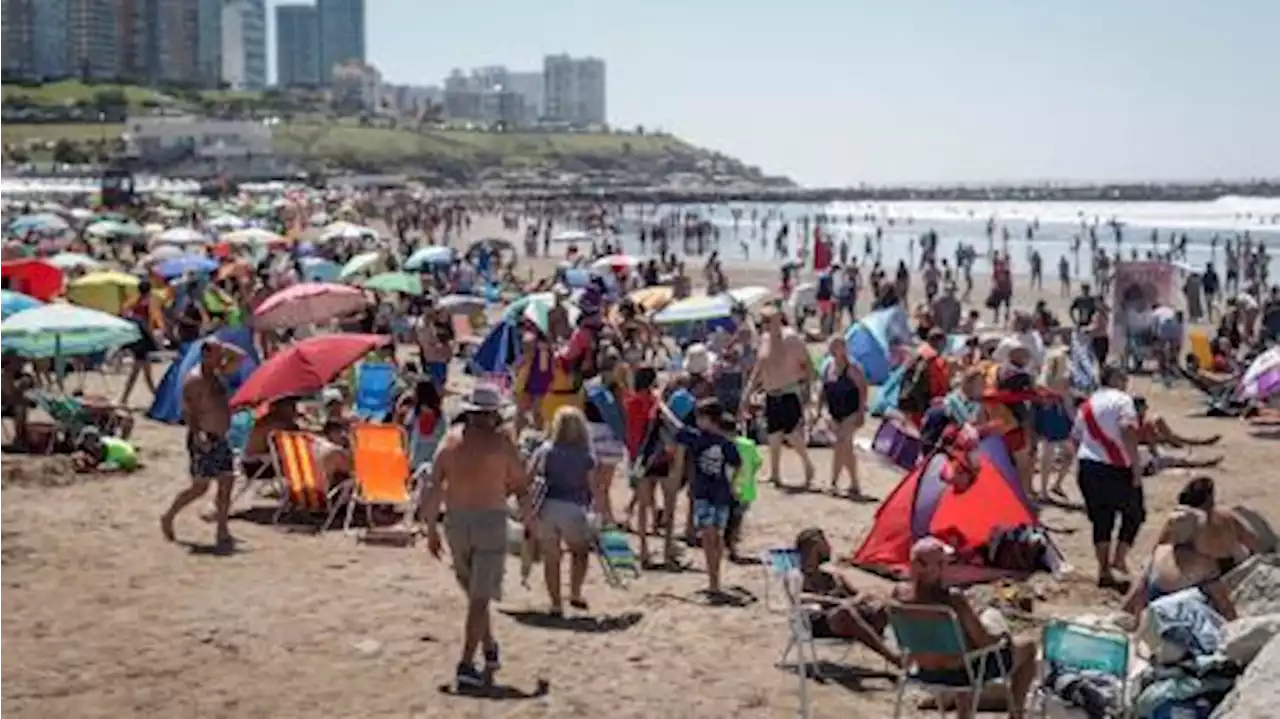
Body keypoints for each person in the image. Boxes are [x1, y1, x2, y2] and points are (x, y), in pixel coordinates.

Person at [421, 384, 534, 688]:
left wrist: (431, 529)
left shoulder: (450, 441)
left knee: (475, 595)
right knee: (479, 597)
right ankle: (466, 664)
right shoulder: (502, 444)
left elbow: (433, 488)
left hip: (456, 523)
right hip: (490, 522)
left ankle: (488, 648)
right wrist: (531, 524)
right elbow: (521, 486)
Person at [892, 537, 1038, 719]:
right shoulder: (953, 600)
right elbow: (984, 641)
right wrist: (1002, 637)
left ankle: (964, 714)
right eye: (944, 563)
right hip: (960, 674)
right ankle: (1016, 715)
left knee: (963, 647)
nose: (948, 566)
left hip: (923, 670)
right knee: (1028, 647)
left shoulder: (899, 595)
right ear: (936, 568)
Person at [161, 339, 247, 549]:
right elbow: (188, 411)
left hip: (221, 437)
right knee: (200, 487)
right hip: (204, 436)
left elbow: (241, 358)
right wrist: (197, 434)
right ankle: (169, 515)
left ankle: (222, 530)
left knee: (227, 483)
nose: (222, 359)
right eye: (217, 355)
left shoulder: (217, 374)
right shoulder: (195, 379)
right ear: (206, 355)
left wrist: (225, 348)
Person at [658, 397, 741, 598]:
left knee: (711, 535)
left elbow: (675, 427)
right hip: (714, 494)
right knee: (712, 535)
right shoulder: (715, 440)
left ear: (708, 419)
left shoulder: (705, 439)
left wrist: (662, 406)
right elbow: (737, 464)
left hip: (708, 494)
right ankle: (714, 579)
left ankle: (714, 579)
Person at [1071, 365, 1143, 590]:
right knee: (1135, 512)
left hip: (1088, 466)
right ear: (1114, 377)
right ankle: (1119, 558)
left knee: (1102, 520)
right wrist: (1136, 465)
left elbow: (1074, 438)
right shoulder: (1122, 400)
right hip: (1116, 466)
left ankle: (1103, 570)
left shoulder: (1088, 403)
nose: (1126, 380)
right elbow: (1128, 430)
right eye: (1123, 376)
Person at [793, 528, 902, 667]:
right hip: (822, 622)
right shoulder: (797, 575)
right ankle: (893, 658)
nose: (830, 549)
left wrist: (862, 598)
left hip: (852, 617)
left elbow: (857, 593)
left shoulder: (833, 576)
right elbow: (799, 597)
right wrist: (838, 601)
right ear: (812, 548)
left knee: (887, 606)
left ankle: (916, 654)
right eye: (824, 545)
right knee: (845, 612)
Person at [529, 406, 602, 616]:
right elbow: (593, 486)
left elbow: (530, 476)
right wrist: (601, 509)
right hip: (574, 508)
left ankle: (555, 603)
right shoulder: (586, 455)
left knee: (552, 557)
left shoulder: (545, 450)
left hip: (547, 506)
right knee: (580, 552)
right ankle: (575, 592)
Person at [742, 306, 816, 489]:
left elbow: (808, 365)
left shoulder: (792, 339)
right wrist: (748, 393)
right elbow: (759, 369)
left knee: (791, 434)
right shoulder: (765, 340)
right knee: (773, 436)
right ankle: (775, 474)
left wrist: (809, 390)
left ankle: (808, 465)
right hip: (770, 393)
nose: (765, 325)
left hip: (788, 392)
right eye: (763, 321)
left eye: (768, 320)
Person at [1122, 507, 1237, 620]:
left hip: (1154, 620)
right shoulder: (1206, 565)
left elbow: (1137, 594)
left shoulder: (1158, 554)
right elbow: (1225, 606)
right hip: (1184, 625)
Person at [818, 335, 868, 498]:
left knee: (842, 442)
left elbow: (862, 389)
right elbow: (823, 390)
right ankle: (853, 483)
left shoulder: (853, 368)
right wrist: (820, 411)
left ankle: (834, 482)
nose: (834, 350)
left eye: (837, 346)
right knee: (843, 447)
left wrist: (861, 412)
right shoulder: (828, 367)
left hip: (851, 412)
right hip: (834, 412)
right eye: (832, 346)